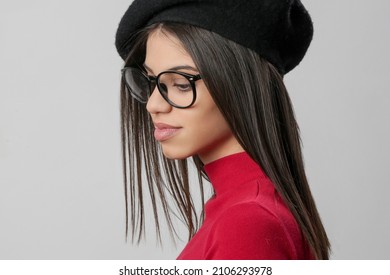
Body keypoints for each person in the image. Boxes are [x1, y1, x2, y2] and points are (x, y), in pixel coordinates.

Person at [115, 0, 330, 259]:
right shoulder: (245, 210)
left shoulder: (246, 224)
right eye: (151, 81)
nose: (153, 104)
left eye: (181, 84)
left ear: (241, 87)